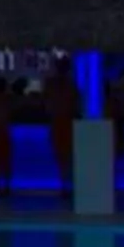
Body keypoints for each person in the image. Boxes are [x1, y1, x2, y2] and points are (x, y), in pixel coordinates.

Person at [43, 58, 82, 197]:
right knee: (64, 156)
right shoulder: (66, 85)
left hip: (62, 123)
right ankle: (67, 186)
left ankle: (67, 186)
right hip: (62, 123)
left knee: (65, 156)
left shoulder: (60, 85)